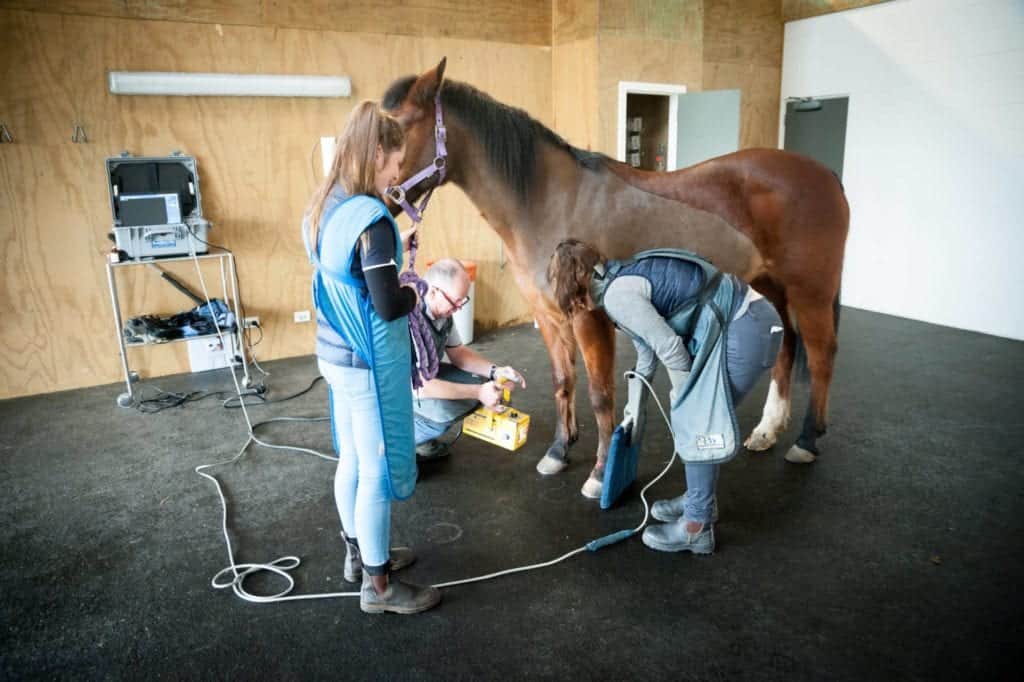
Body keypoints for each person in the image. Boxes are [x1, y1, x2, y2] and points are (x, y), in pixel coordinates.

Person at [548, 239, 783, 554]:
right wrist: (634, 409)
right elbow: (647, 351)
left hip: (746, 330)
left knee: (697, 422)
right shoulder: (620, 279)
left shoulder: (618, 297)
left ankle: (695, 527)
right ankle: (700, 502)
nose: (577, 308)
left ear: (574, 286)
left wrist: (682, 397)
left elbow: (671, 349)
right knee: (695, 417)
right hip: (750, 320)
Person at [303, 101, 440, 614]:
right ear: (377, 153)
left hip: (330, 352)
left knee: (353, 460)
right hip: (362, 363)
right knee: (377, 468)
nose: (398, 175)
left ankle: (358, 555)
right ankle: (379, 588)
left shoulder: (327, 203)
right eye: (396, 164)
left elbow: (351, 268)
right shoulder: (373, 222)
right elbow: (386, 304)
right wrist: (414, 292)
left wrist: (389, 252)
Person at [411, 259, 526, 460]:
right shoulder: (408, 318)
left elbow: (459, 354)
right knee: (445, 411)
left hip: (426, 377)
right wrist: (479, 392)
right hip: (401, 391)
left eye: (462, 301)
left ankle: (419, 433)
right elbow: (419, 386)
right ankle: (401, 442)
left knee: (488, 384)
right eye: (455, 301)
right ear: (433, 292)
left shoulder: (442, 310)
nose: (459, 308)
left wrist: (495, 372)